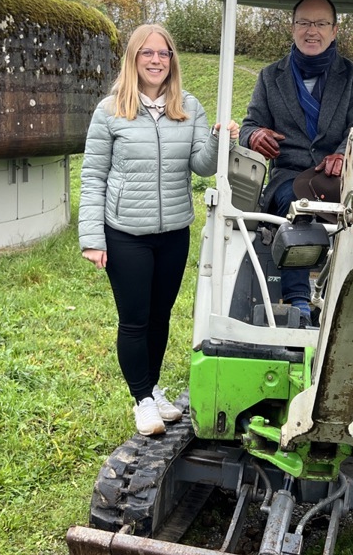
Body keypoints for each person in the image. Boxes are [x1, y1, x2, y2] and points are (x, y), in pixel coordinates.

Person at [79, 24, 239, 437]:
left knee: (160, 316)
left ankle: (152, 389)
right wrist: (92, 238)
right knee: (135, 319)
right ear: (133, 59)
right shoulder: (110, 110)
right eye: (147, 53)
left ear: (172, 61)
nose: (155, 60)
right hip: (125, 233)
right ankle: (142, 400)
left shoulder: (187, 107)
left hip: (172, 233)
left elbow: (203, 165)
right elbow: (93, 176)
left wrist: (223, 141)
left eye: (164, 53)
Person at [239, 0, 353, 319]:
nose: (311, 31)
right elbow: (248, 127)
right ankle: (299, 302)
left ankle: (342, 300)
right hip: (287, 178)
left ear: (334, 30)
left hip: (339, 181)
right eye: (304, 23)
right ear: (292, 28)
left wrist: (344, 154)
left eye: (320, 24)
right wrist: (255, 136)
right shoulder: (269, 77)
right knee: (296, 200)